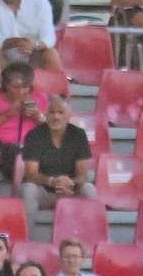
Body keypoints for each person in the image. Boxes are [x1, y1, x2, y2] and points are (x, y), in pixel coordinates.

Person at [17, 95, 94, 228]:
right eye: (51, 112)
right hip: (43, 191)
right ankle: (24, 241)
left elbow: (82, 174)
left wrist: (71, 183)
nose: (56, 117)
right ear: (46, 114)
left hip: (70, 190)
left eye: (60, 112)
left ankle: (92, 240)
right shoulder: (34, 135)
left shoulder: (79, 135)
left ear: (69, 115)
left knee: (89, 188)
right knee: (28, 189)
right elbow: (31, 174)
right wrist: (53, 182)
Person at [0, 62, 48, 185]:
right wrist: (8, 114)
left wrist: (38, 116)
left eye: (25, 87)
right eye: (16, 87)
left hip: (28, 145)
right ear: (6, 85)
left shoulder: (39, 97)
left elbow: (53, 128)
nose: (21, 92)